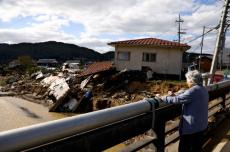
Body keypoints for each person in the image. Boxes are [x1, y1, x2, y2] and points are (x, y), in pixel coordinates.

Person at [158, 70, 209, 152]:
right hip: (201, 126)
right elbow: (186, 94)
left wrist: (162, 97)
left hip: (192, 129)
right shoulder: (203, 89)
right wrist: (176, 93)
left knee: (184, 149)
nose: (186, 81)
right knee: (197, 148)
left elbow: (176, 100)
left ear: (191, 80)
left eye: (187, 79)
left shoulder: (193, 91)